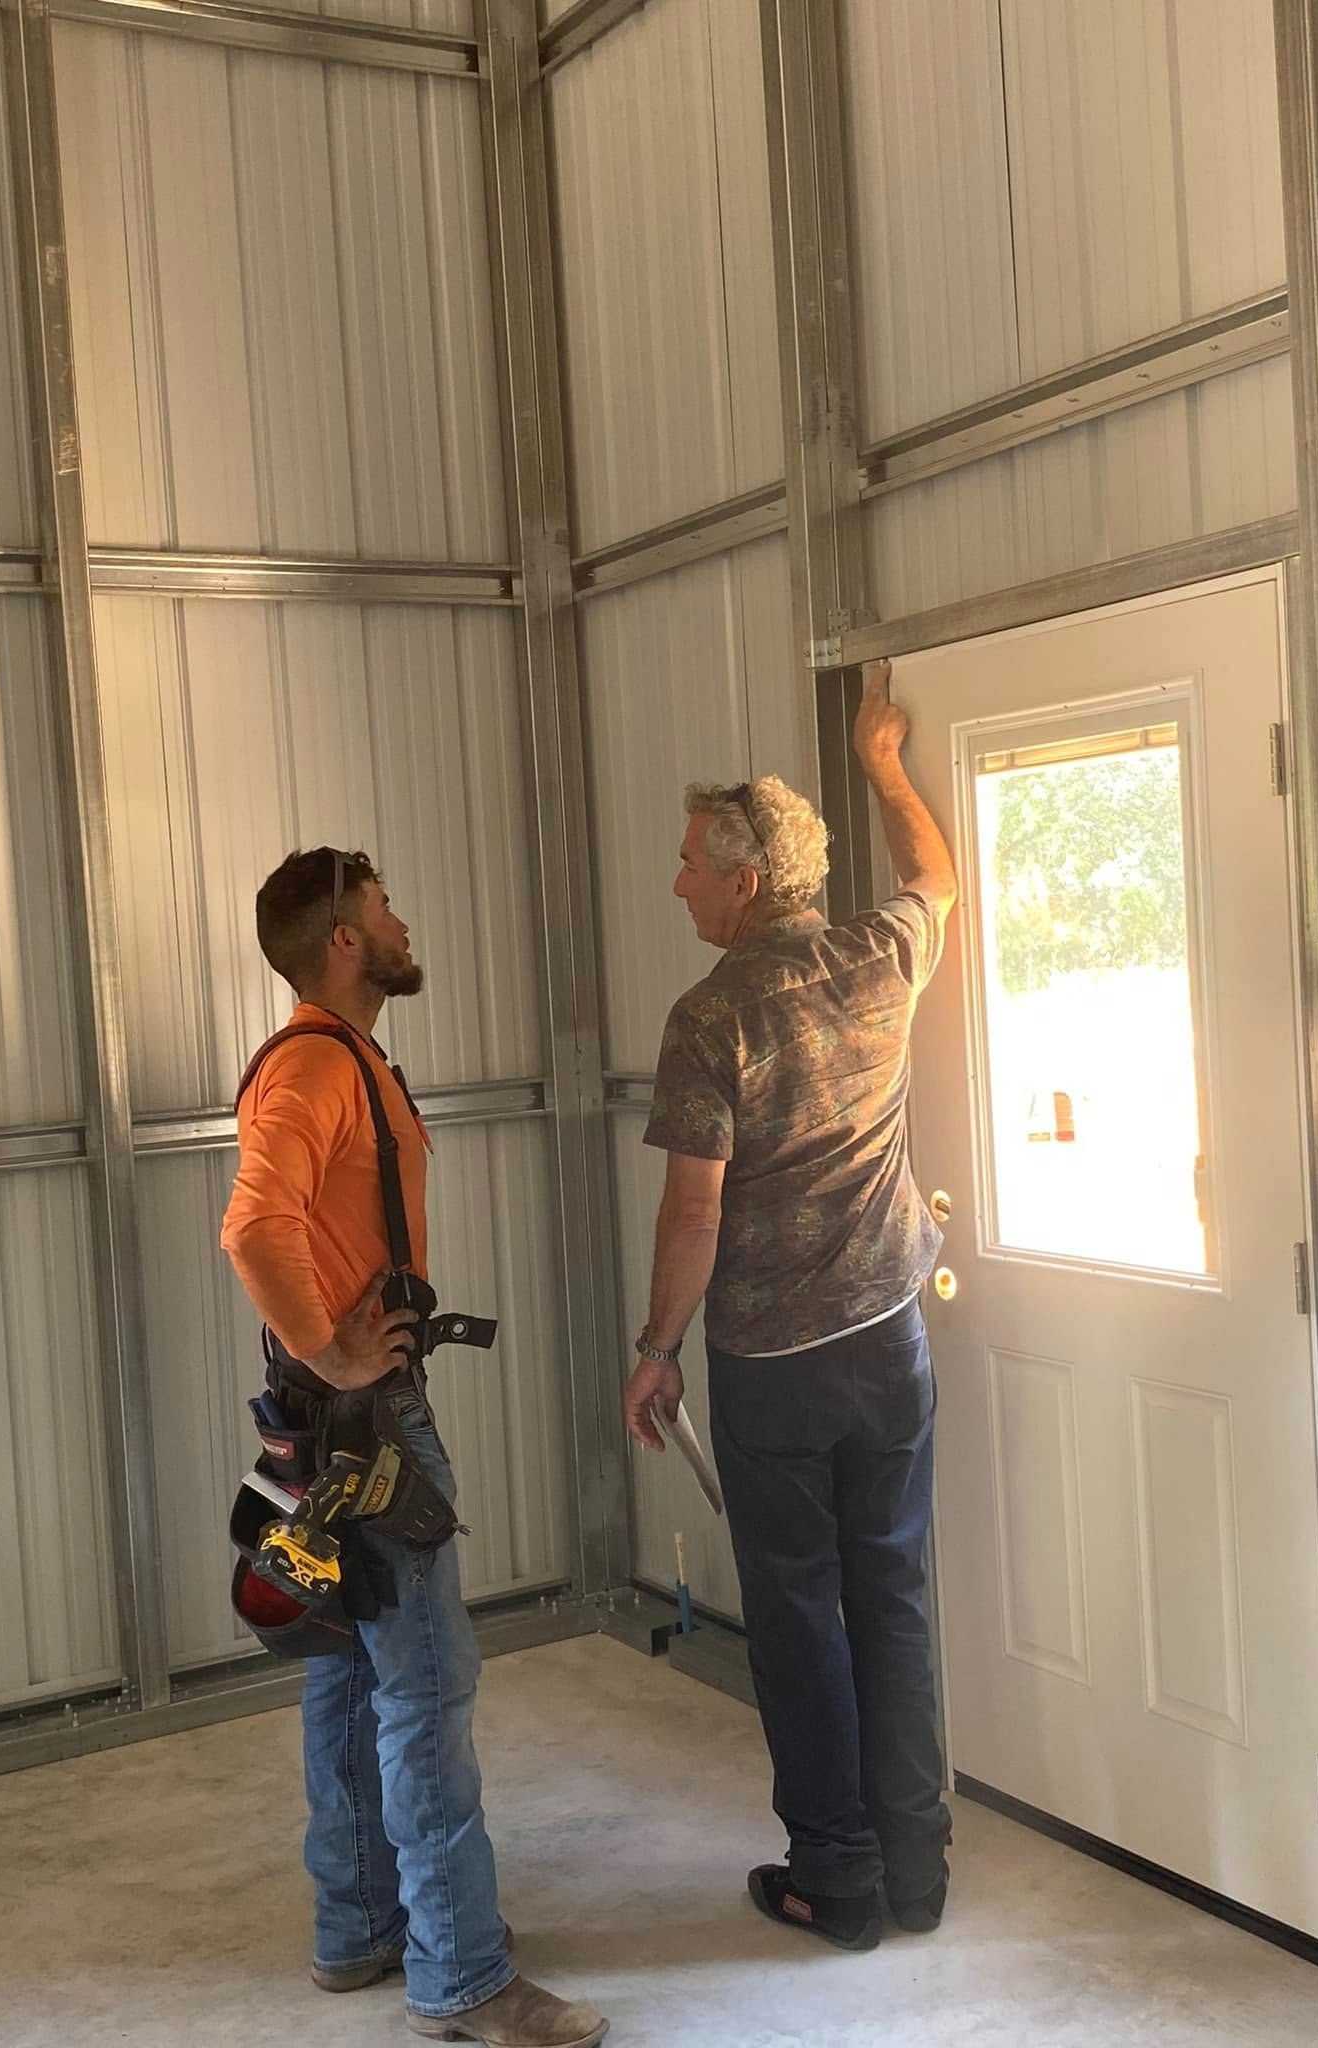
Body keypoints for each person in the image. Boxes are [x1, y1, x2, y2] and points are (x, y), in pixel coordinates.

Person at [221, 846, 607, 2048]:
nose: (400, 921)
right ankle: (464, 1973)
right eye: (383, 907)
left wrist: (319, 1359)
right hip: (368, 1423)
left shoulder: (335, 1057)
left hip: (319, 1427)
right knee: (426, 1692)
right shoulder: (319, 1067)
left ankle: (360, 1927)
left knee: (344, 1670)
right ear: (345, 938)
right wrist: (338, 1353)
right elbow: (252, 1224)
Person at [622, 661, 958, 1954]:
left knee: (802, 1617)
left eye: (693, 865)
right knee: (895, 1596)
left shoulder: (711, 1016)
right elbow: (938, 876)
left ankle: (841, 1881)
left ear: (745, 880)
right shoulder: (880, 958)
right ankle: (919, 1871)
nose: (679, 884)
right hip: (893, 1345)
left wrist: (658, 1353)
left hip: (776, 1373)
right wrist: (886, 771)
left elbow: (692, 1212)